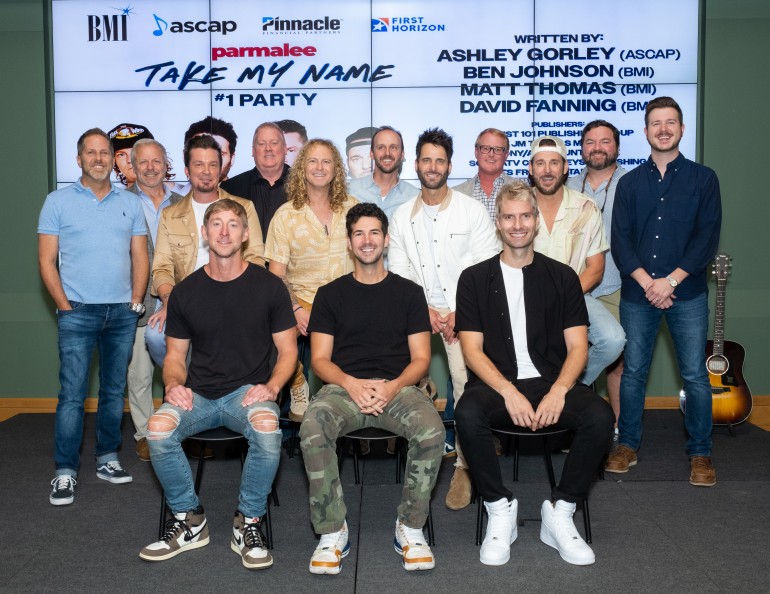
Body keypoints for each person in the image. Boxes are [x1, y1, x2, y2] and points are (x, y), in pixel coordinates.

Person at [454, 180, 614, 567]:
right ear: (498, 222)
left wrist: (560, 390)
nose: (518, 224)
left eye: (525, 215)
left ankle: (560, 511)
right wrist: (508, 391)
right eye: (509, 217)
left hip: (549, 380)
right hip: (496, 381)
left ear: (536, 221)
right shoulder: (474, 279)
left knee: (600, 416)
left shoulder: (562, 278)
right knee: (466, 412)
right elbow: (472, 351)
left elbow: (578, 347)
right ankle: (499, 506)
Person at [139, 199, 297, 568]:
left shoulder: (270, 287)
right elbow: (176, 357)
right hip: (199, 395)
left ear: (244, 235)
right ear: (205, 233)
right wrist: (174, 384)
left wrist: (272, 387)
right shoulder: (185, 292)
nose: (224, 232)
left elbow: (288, 352)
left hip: (248, 393)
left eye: (233, 225)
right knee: (157, 430)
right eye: (216, 224)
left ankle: (248, 521)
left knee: (267, 426)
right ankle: (189, 518)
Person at [300, 202, 444, 574]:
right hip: (343, 388)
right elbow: (319, 360)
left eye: (374, 233)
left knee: (432, 429)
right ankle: (332, 531)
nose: (367, 240)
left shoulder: (410, 293)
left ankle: (410, 527)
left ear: (386, 240)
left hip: (400, 388)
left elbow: (421, 359)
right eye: (359, 233)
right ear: (349, 243)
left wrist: (393, 386)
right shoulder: (330, 295)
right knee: (313, 426)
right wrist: (351, 383)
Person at [608, 96, 722, 486]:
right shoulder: (628, 183)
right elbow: (620, 241)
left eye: (670, 122)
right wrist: (648, 283)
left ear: (682, 128)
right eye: (656, 123)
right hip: (638, 296)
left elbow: (706, 239)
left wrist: (669, 281)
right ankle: (628, 446)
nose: (663, 129)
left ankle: (701, 454)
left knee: (695, 376)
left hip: (686, 295)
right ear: (645, 131)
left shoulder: (704, 179)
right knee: (633, 374)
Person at [388, 127, 500, 511]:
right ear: (416, 164)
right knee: (395, 374)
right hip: (415, 311)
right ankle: (410, 455)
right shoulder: (401, 217)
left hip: (462, 312)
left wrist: (457, 312)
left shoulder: (473, 211)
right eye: (426, 159)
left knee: (465, 385)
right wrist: (427, 312)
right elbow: (399, 273)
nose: (432, 167)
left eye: (439, 160)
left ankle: (466, 467)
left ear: (450, 166)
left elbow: (487, 269)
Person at [38, 128, 149, 505]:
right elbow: (45, 261)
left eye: (105, 152)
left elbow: (140, 256)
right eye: (92, 152)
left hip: (121, 313)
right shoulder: (57, 201)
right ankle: (65, 471)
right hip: (78, 313)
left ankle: (107, 458)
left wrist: (135, 300)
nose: (100, 158)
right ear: (79, 158)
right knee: (71, 396)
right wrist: (65, 306)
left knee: (113, 392)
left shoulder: (129, 203)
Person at [147, 134, 264, 367]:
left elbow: (256, 260)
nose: (206, 171)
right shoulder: (170, 215)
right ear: (187, 170)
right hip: (183, 298)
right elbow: (161, 268)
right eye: (198, 164)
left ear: (221, 170)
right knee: (155, 335)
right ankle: (186, 381)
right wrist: (171, 302)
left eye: (213, 165)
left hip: (234, 295)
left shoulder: (244, 208)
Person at [265, 139, 358, 422]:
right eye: (312, 161)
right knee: (268, 335)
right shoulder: (286, 215)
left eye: (326, 161)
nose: (319, 167)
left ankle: (356, 408)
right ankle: (296, 385)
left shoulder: (353, 208)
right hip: (299, 297)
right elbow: (276, 275)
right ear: (302, 168)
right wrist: (295, 309)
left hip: (346, 300)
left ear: (336, 169)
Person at [528, 135, 626, 393]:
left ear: (565, 168)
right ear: (530, 168)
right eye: (540, 163)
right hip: (524, 300)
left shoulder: (586, 207)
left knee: (613, 340)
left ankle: (571, 385)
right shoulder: (519, 205)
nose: (547, 170)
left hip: (574, 296)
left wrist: (562, 298)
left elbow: (596, 268)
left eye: (554, 163)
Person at [566, 121, 627, 440]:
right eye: (590, 142)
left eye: (605, 141)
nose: (597, 147)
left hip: (614, 285)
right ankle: (576, 421)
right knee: (571, 352)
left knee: (616, 358)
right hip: (574, 287)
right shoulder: (568, 185)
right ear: (582, 147)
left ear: (617, 146)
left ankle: (617, 427)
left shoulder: (630, 183)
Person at [125, 138, 183, 461]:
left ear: (166, 165)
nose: (150, 168)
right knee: (140, 374)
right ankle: (147, 434)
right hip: (139, 304)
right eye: (143, 162)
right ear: (133, 167)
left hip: (179, 301)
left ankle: (183, 429)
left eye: (156, 161)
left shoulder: (183, 204)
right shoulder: (121, 203)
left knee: (181, 370)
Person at [221, 121, 290, 243]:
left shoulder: (305, 185)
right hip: (248, 261)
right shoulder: (230, 189)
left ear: (285, 149)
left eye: (274, 143)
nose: (268, 149)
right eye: (261, 144)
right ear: (253, 151)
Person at [347, 125, 419, 222]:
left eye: (393, 147)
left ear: (402, 155)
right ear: (372, 153)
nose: (387, 153)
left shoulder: (415, 197)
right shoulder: (349, 191)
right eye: (381, 147)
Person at [453, 127, 515, 221]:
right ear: (476, 152)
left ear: (506, 155)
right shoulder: (456, 194)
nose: (491, 154)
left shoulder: (524, 190)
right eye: (485, 148)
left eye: (497, 150)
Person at [173, 116, 238, 194]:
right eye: (199, 152)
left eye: (220, 154)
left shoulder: (246, 201)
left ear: (232, 159)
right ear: (185, 156)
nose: (208, 160)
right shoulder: (170, 200)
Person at [107, 122, 155, 188]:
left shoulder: (172, 194)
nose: (130, 160)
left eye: (137, 151)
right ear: (114, 161)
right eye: (121, 155)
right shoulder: (111, 197)